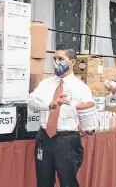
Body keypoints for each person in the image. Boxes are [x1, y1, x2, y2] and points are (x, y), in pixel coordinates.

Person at [27, 47, 95, 187]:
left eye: (61, 59)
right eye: (54, 59)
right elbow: (31, 101)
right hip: (44, 138)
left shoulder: (81, 88)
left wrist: (89, 128)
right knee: (43, 182)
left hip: (67, 141)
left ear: (72, 62)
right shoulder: (46, 83)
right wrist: (51, 105)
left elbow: (90, 116)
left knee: (68, 182)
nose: (56, 62)